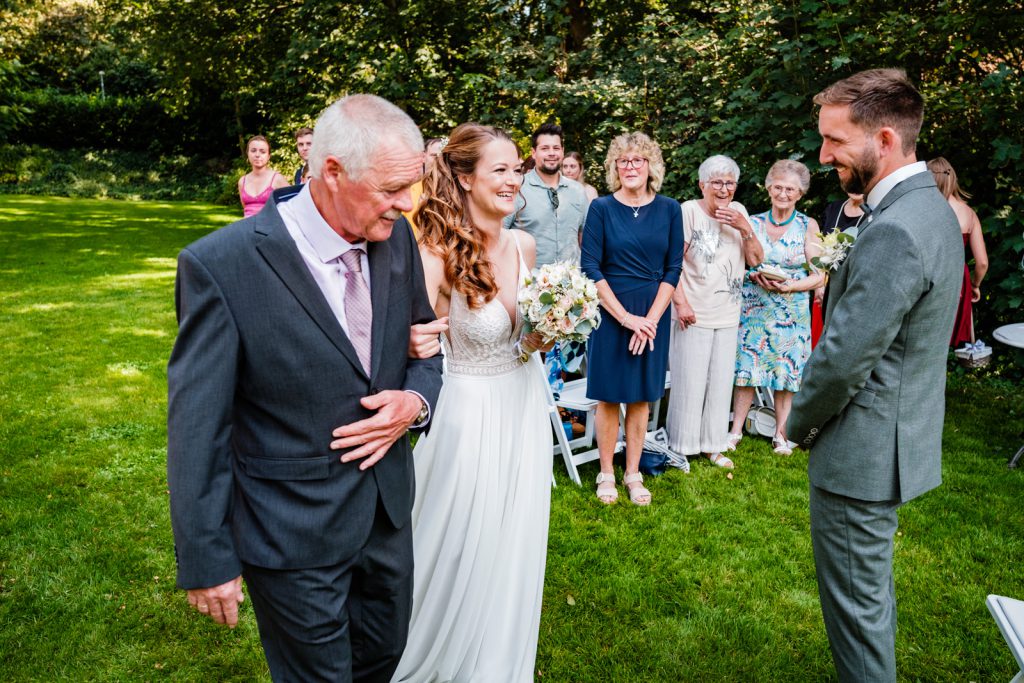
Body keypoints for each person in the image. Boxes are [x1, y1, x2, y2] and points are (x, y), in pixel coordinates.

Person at [168, 94, 445, 683]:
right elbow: (198, 425)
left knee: (382, 660)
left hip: (385, 518)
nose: (408, 203)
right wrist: (206, 556)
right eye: (394, 187)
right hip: (289, 531)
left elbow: (426, 346)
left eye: (412, 185)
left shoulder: (394, 237)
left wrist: (414, 403)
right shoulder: (222, 266)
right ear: (333, 172)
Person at [787, 69, 963, 683]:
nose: (823, 154)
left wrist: (797, 421)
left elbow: (843, 358)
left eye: (834, 141)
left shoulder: (893, 228)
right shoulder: (929, 209)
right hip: (895, 435)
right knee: (869, 596)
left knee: (856, 618)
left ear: (883, 140)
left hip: (861, 451)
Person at [392, 124, 552, 682]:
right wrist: (410, 339)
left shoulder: (524, 245)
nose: (513, 180)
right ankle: (429, 654)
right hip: (465, 410)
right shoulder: (436, 252)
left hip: (523, 403)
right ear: (464, 177)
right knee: (457, 541)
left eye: (517, 169)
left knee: (514, 537)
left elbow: (522, 340)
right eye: (500, 170)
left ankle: (497, 664)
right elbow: (402, 338)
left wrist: (548, 331)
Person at [580, 131, 683, 505]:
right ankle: (606, 472)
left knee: (641, 397)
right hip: (611, 313)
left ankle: (633, 473)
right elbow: (589, 265)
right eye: (622, 161)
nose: (630, 167)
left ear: (651, 166)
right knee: (608, 396)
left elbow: (673, 268)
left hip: (653, 309)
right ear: (614, 168)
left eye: (638, 159)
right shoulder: (602, 209)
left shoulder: (670, 209)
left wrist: (650, 320)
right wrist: (625, 318)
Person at [666, 155, 763, 471]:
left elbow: (757, 260)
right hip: (691, 310)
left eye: (729, 183)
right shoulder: (687, 212)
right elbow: (671, 263)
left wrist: (745, 228)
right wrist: (680, 302)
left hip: (728, 311)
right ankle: (682, 446)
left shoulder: (740, 213)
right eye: (717, 182)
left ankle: (713, 445)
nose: (724, 189)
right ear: (702, 184)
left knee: (721, 382)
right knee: (689, 380)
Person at [728, 159, 824, 456]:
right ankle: (734, 431)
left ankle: (781, 434)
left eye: (790, 189)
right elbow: (734, 266)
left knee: (787, 372)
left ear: (800, 194)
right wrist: (751, 275)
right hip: (754, 307)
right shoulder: (752, 222)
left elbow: (820, 274)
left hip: (791, 311)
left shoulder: (809, 226)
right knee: (746, 370)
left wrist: (791, 286)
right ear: (769, 188)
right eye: (778, 187)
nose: (783, 194)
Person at [504, 122, 588, 266]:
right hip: (529, 283)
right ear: (533, 152)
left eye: (556, 148)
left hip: (572, 283)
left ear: (562, 151)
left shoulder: (578, 191)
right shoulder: (517, 188)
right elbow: (500, 236)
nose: (551, 153)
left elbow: (585, 238)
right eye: (545, 148)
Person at [927, 156, 989, 348]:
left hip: (928, 274)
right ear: (953, 178)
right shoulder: (968, 213)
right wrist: (975, 285)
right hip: (957, 279)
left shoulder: (923, 211)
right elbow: (982, 263)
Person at [812, 192, 866, 347]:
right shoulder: (833, 208)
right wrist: (819, 287)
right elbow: (820, 250)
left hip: (851, 290)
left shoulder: (874, 213)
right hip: (823, 291)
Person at [238, 135, 289, 217]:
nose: (257, 155)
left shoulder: (277, 179)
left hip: (269, 227)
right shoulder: (242, 181)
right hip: (246, 227)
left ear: (269, 156)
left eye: (262, 152)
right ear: (247, 153)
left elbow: (290, 206)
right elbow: (245, 207)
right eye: (253, 151)